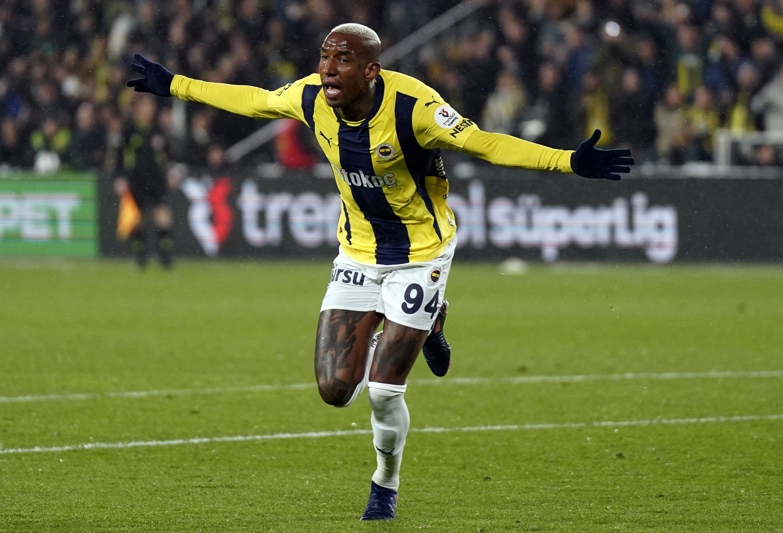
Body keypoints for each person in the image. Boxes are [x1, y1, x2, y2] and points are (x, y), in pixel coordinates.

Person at [127, 23, 632, 520]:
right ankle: (429, 321)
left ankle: (384, 485)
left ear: (371, 71)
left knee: (385, 390)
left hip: (421, 254)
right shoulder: (311, 97)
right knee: (335, 391)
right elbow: (254, 100)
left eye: (342, 59)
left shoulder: (416, 108)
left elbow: (486, 144)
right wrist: (175, 85)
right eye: (325, 56)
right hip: (357, 255)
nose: (328, 68)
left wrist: (568, 161)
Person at [114, 95, 174, 268]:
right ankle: (141, 256)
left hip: (156, 178)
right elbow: (119, 156)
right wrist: (119, 177)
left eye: (150, 106)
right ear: (138, 107)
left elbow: (168, 154)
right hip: (136, 179)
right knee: (136, 218)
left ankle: (165, 256)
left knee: (162, 215)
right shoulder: (128, 130)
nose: (148, 109)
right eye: (145, 105)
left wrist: (171, 172)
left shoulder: (158, 130)